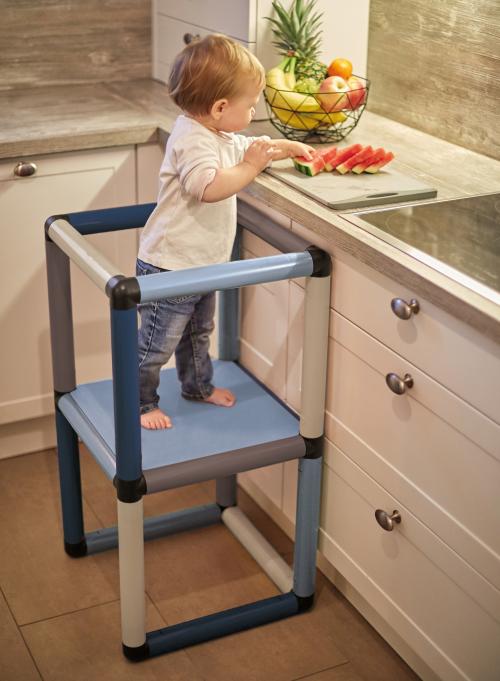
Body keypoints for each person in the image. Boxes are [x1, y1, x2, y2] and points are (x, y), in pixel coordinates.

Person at [137, 33, 315, 430]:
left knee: (199, 334)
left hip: (202, 265)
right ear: (220, 108)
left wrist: (284, 148)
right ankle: (141, 402)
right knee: (155, 346)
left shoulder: (217, 133)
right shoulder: (191, 140)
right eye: (251, 106)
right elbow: (209, 187)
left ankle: (197, 387)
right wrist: (251, 167)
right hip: (170, 267)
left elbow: (247, 147)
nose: (254, 113)